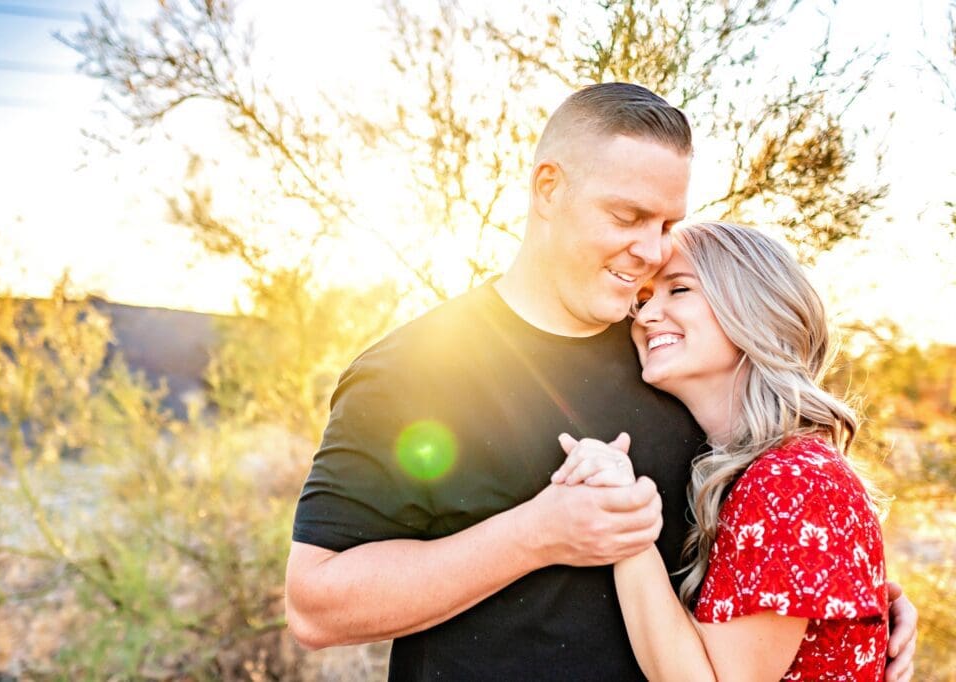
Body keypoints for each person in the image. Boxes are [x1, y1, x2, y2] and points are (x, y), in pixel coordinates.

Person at [285, 83, 917, 680]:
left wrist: (846, 614)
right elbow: (315, 603)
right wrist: (537, 534)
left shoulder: (671, 358)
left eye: (666, 225)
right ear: (549, 189)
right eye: (627, 215)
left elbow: (767, 537)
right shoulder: (413, 371)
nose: (649, 250)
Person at [552, 221, 893, 679]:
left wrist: (623, 516)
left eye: (679, 289)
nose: (647, 315)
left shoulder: (793, 481)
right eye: (647, 297)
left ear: (754, 308)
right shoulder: (760, 471)